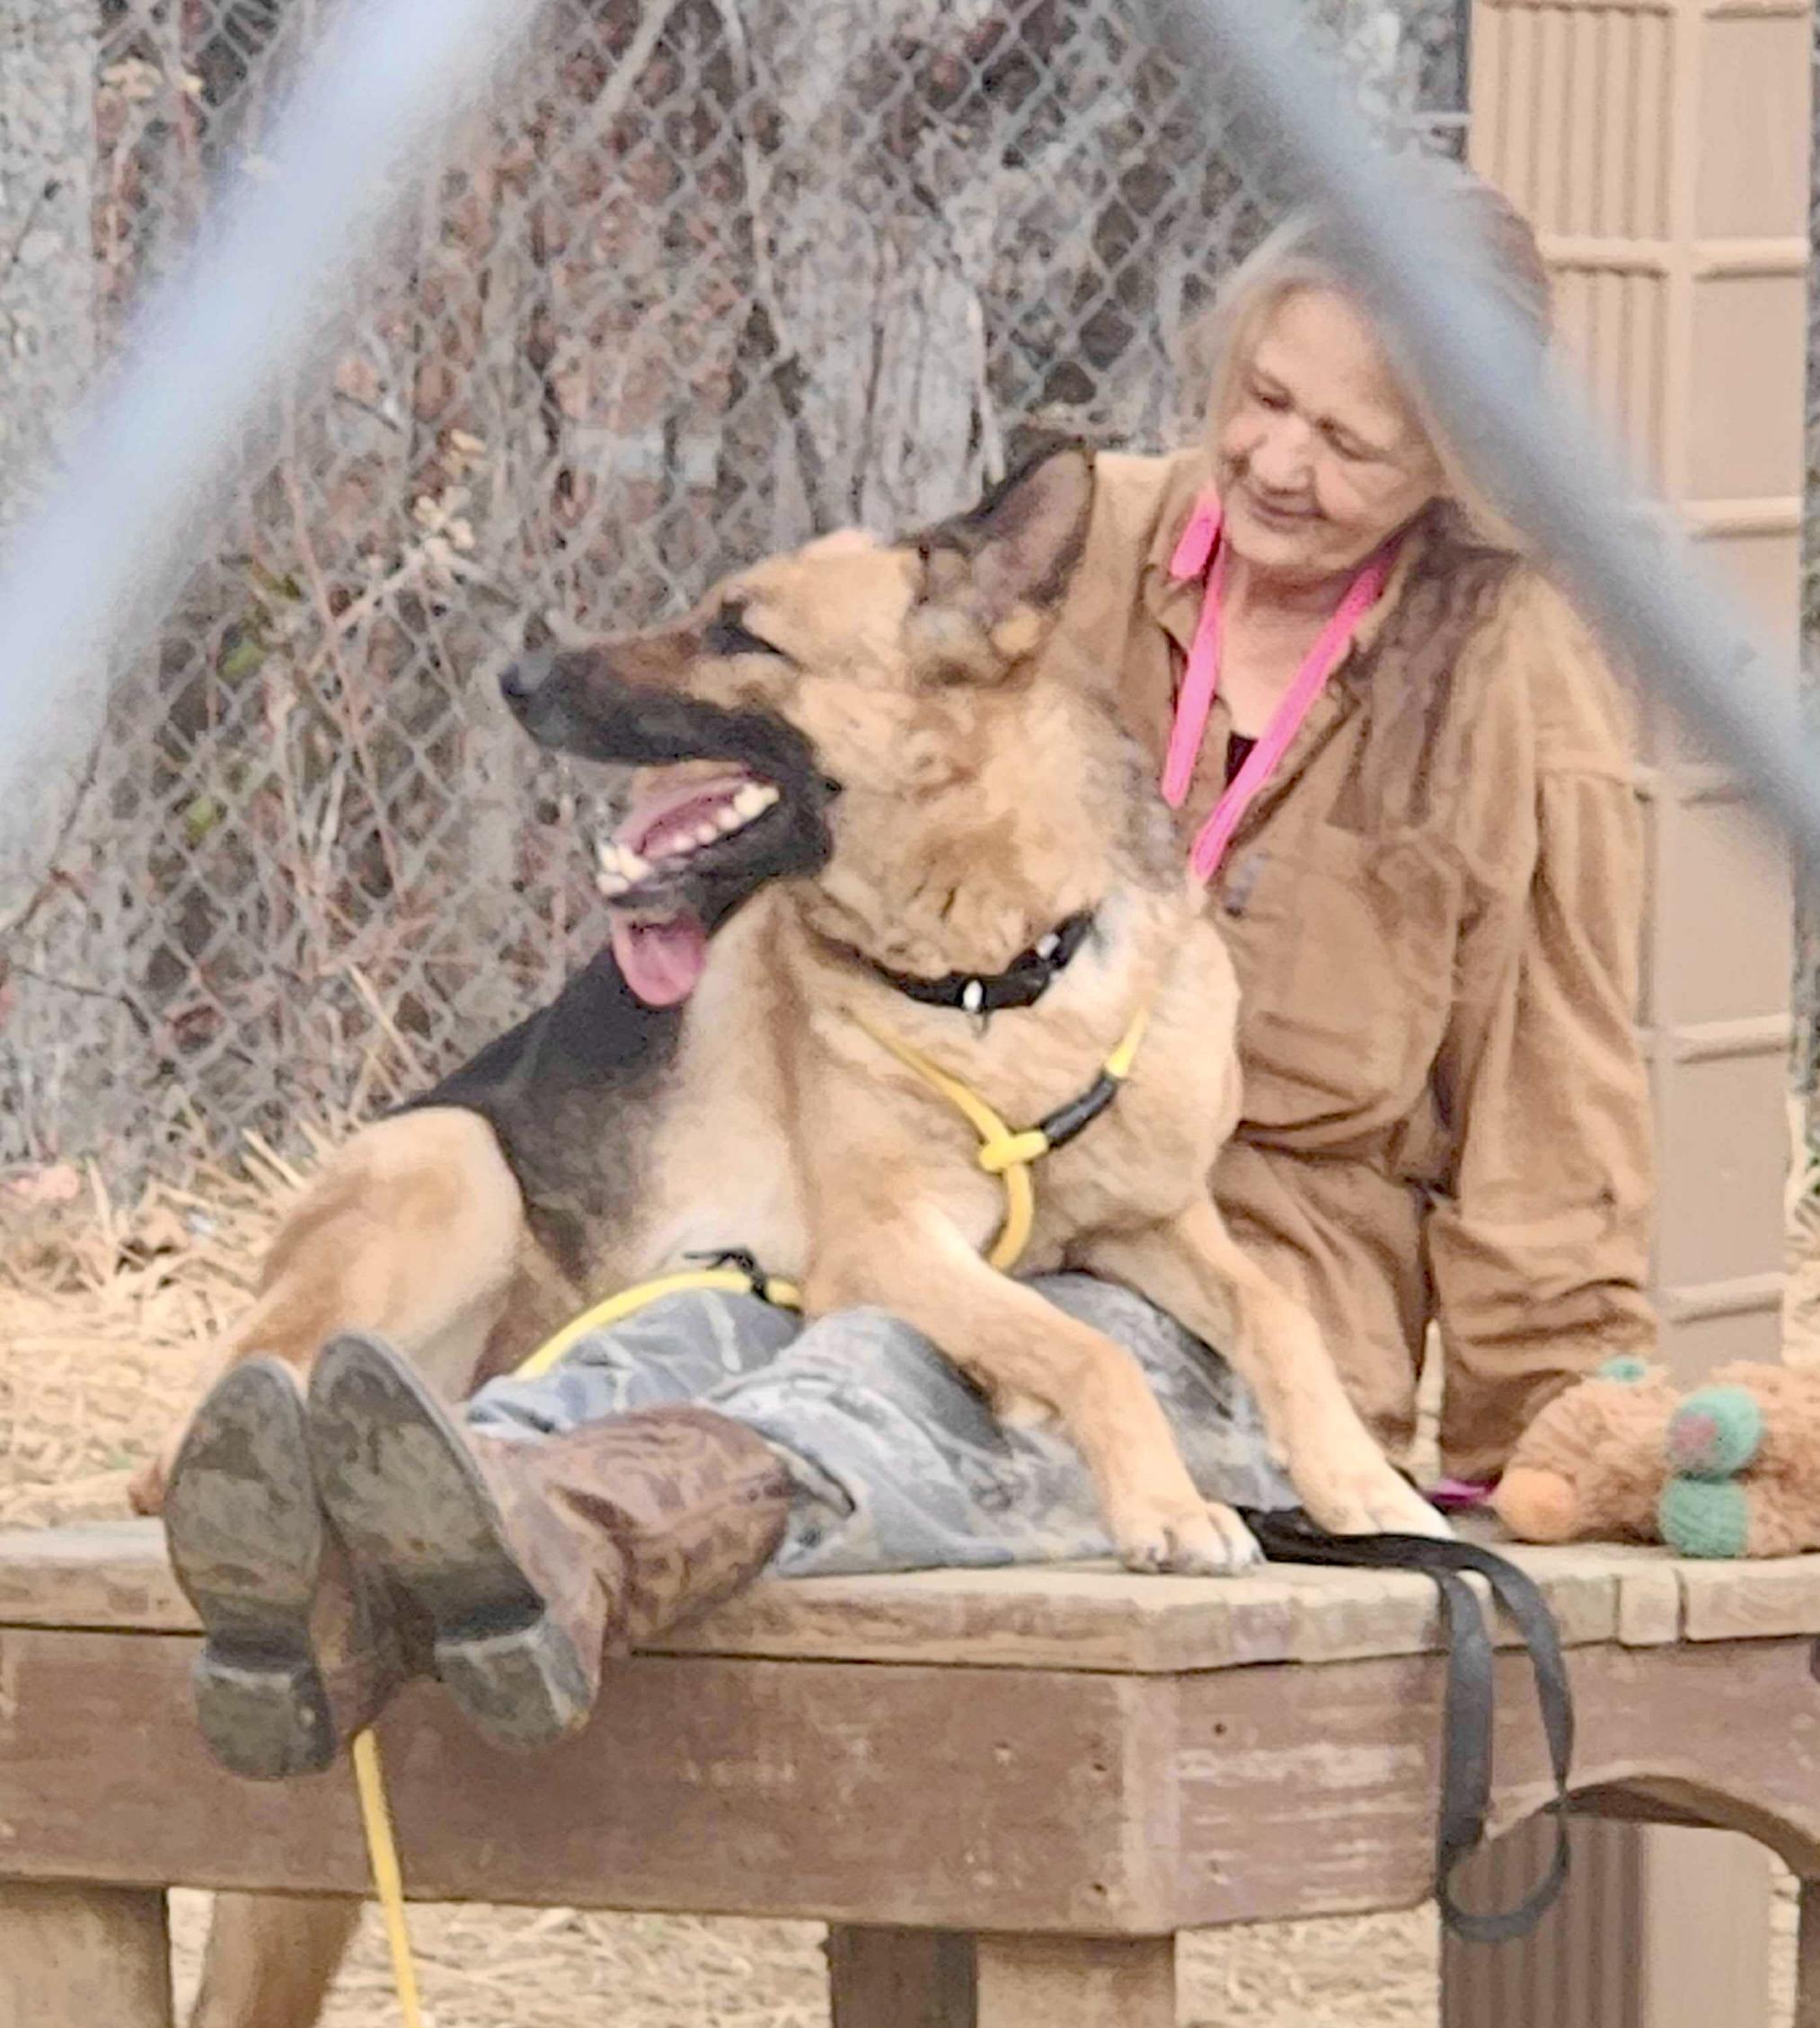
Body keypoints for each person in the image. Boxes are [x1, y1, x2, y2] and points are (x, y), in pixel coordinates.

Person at [164, 162, 1657, 1773]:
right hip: (938, 1181)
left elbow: (1550, 1097)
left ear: (1456, 461)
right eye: (1261, 399)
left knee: (888, 1379)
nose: (1276, 463)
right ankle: (404, 1504)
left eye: (1348, 442)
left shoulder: (1515, 680)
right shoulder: (1081, 547)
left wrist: (1548, 1452)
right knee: (722, 1324)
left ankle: (558, 1531)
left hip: (1255, 1286)